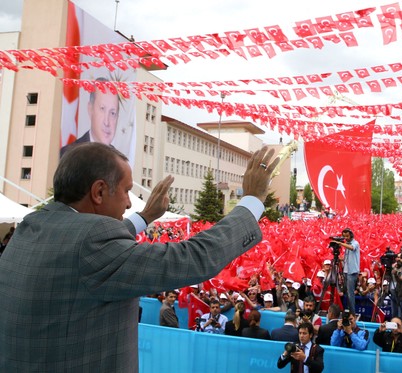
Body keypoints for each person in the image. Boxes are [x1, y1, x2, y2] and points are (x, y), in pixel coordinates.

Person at [0, 142, 278, 372]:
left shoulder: (33, 225)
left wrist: (143, 218)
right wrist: (251, 200)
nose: (129, 202)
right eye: (125, 190)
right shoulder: (94, 245)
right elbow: (194, 257)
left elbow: (88, 250)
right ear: (98, 192)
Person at [60, 77, 120, 157]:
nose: (107, 122)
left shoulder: (120, 162)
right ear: (90, 109)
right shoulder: (67, 155)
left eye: (112, 113)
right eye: (102, 109)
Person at [332, 228, 360, 314]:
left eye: (347, 236)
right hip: (346, 271)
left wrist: (340, 243)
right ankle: (347, 310)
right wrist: (341, 260)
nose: (346, 238)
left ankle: (352, 313)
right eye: (344, 236)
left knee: (350, 293)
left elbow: (352, 248)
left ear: (351, 235)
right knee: (347, 292)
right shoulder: (347, 244)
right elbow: (348, 258)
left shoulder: (355, 243)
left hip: (352, 272)